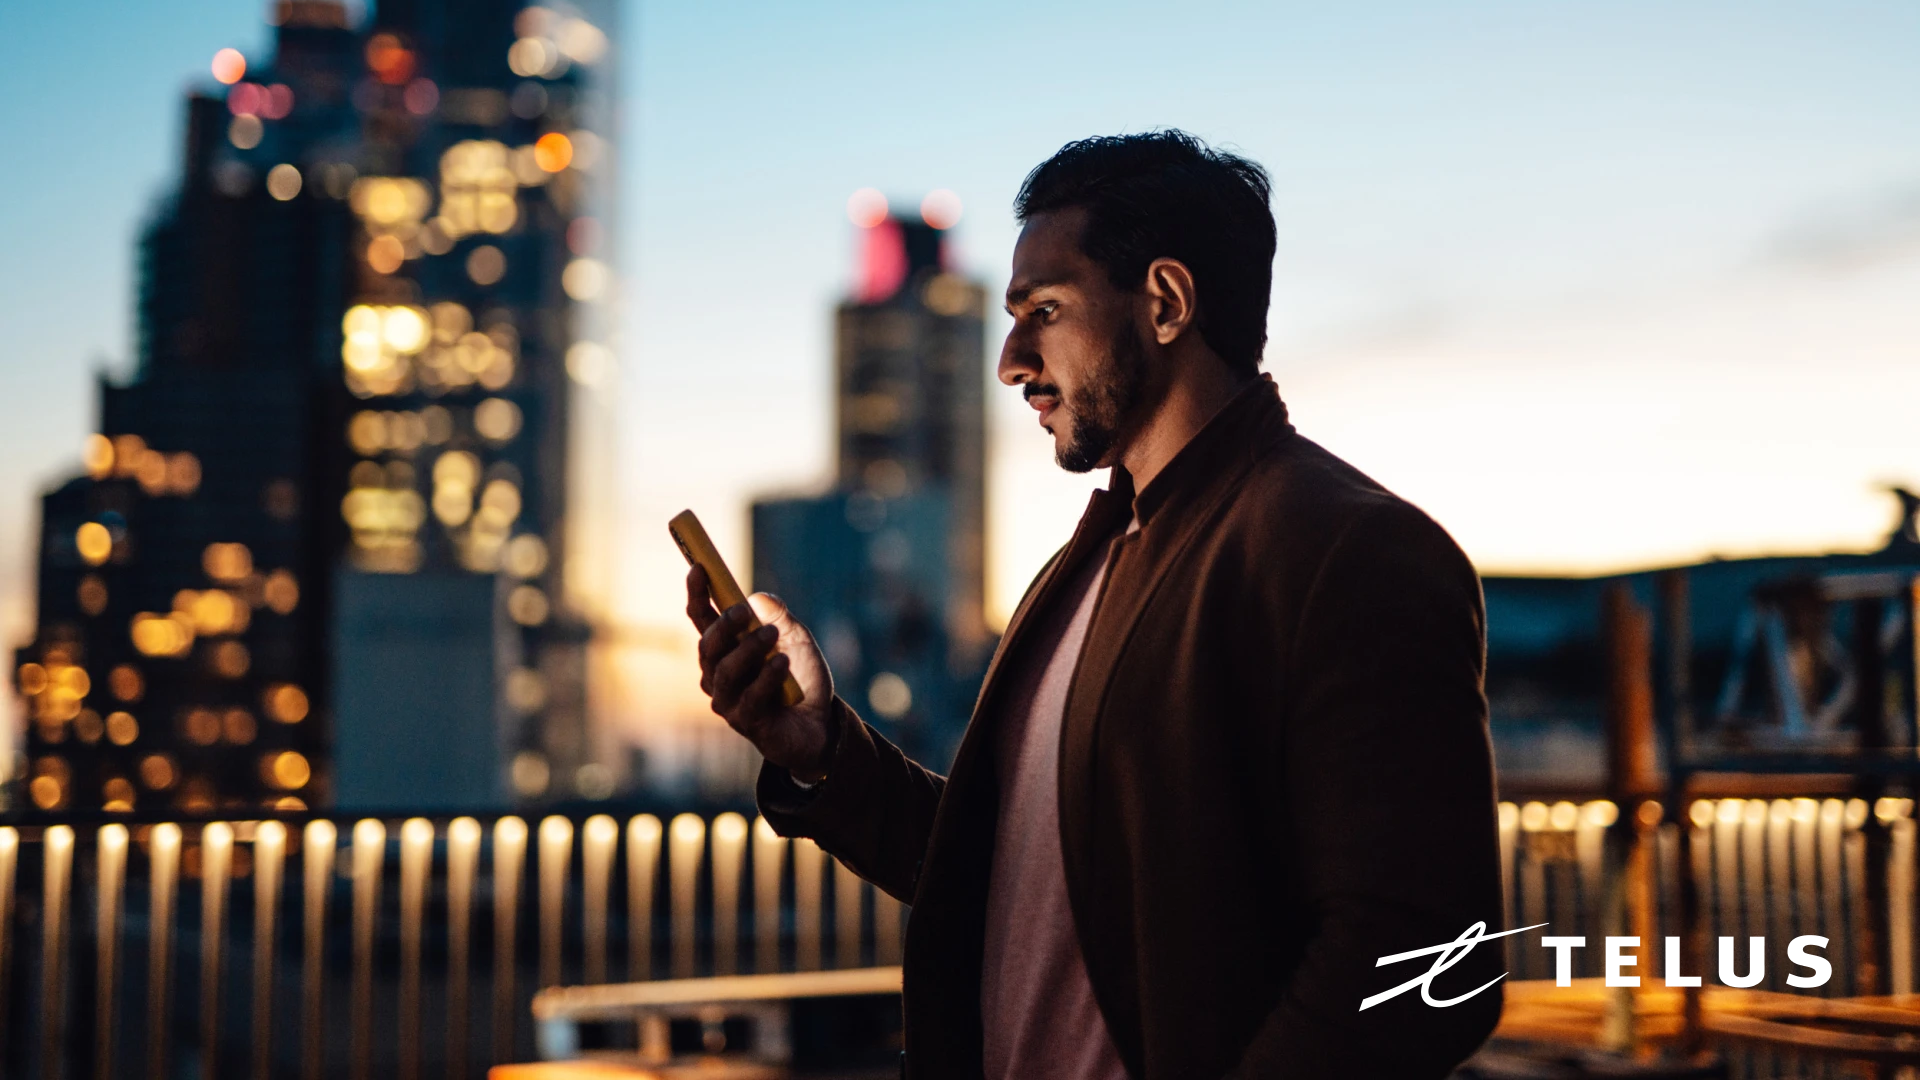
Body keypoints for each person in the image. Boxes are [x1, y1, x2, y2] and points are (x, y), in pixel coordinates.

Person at [686, 131, 1505, 1079]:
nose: (1009, 361)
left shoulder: (1349, 552)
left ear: (1165, 303)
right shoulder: (1090, 562)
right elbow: (1012, 879)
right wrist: (820, 751)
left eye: (1044, 310)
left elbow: (1426, 960)